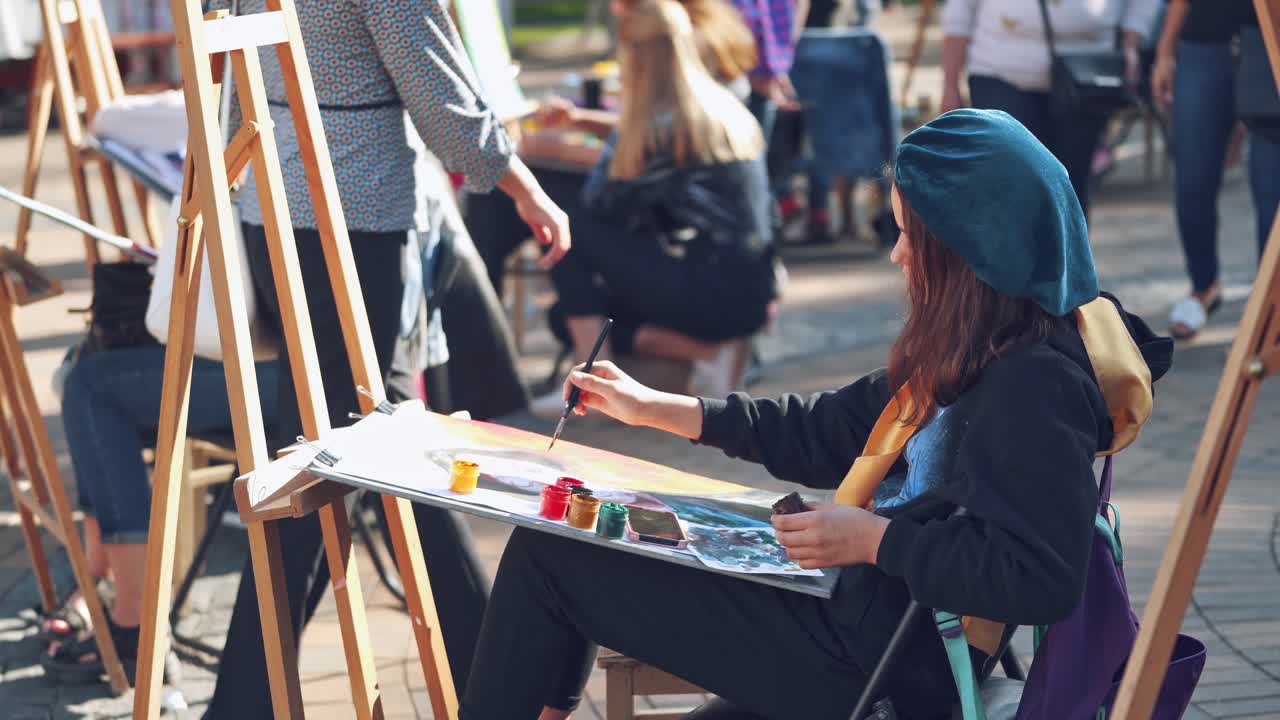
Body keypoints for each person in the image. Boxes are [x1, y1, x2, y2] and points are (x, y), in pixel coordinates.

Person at [458, 108, 1172, 719]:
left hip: (886, 662)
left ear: (967, 252)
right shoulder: (981, 345)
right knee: (567, 540)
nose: (896, 256)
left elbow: (1038, 578)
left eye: (908, 237)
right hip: (862, 623)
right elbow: (823, 428)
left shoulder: (1031, 385)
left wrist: (871, 542)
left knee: (552, 552)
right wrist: (656, 408)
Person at [201, 0, 571, 715]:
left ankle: (498, 674)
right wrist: (527, 190)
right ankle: (245, 699)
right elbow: (446, 106)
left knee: (384, 437)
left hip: (273, 208)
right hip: (350, 215)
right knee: (333, 453)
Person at [532, 0, 776, 409]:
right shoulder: (722, 107)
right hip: (754, 289)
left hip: (713, 295)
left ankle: (591, 381)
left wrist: (560, 149)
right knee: (565, 316)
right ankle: (707, 355)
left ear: (634, 57)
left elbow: (602, 203)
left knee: (562, 228)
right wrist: (585, 122)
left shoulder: (660, 126)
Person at [40, 345, 278, 683]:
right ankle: (99, 581)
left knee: (90, 391)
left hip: (292, 368)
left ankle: (136, 622)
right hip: (274, 353)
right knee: (80, 373)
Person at [940, 0, 1160, 217]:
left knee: (1072, 189)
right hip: (1000, 73)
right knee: (1007, 187)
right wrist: (950, 85)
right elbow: (959, 13)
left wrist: (1131, 43)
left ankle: (1068, 251)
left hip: (1086, 77)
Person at [1150, 0, 1280, 339]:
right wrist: (1165, 52)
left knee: (1272, 196)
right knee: (1192, 180)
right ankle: (1203, 287)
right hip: (1203, 44)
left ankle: (1271, 309)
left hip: (1271, 43)